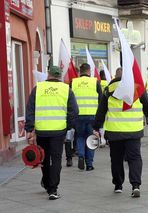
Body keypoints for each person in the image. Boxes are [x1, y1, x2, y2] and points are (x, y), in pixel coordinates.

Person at [93, 67, 148, 198]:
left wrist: (97, 127)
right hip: (134, 130)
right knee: (135, 158)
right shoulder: (136, 87)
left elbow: (101, 110)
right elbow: (147, 104)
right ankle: (135, 185)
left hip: (115, 131)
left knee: (116, 159)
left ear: (115, 75)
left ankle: (118, 185)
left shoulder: (109, 89)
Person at [25, 66, 78, 200]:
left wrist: (30, 129)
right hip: (58, 131)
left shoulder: (38, 88)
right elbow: (74, 111)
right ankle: (53, 189)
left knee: (43, 157)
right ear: (59, 76)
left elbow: (30, 109)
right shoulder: (66, 89)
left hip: (42, 130)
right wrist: (68, 126)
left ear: (48, 74)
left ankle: (48, 184)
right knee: (56, 159)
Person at [72, 63, 102, 171]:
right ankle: (89, 164)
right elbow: (101, 100)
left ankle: (81, 155)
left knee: (80, 136)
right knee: (91, 138)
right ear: (89, 71)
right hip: (92, 115)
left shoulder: (74, 82)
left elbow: (70, 100)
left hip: (78, 116)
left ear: (80, 71)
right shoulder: (95, 82)